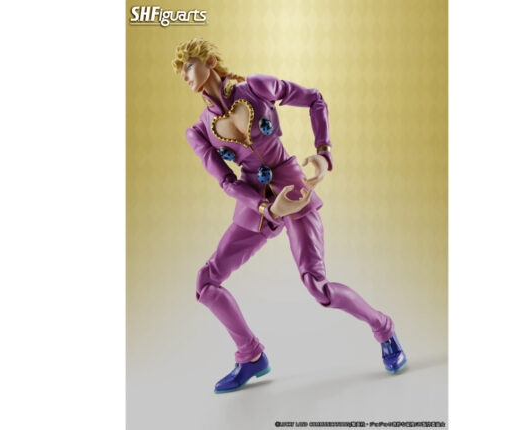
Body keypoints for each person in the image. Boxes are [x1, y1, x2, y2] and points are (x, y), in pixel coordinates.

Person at [173, 38, 406, 393]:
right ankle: (250, 355)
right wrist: (266, 207)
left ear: (209, 61)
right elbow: (227, 182)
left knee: (318, 286)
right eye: (181, 73)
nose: (186, 76)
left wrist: (323, 153)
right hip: (255, 202)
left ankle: (384, 329)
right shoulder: (200, 130)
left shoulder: (257, 88)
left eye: (188, 66)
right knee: (205, 282)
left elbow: (315, 99)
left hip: (294, 189)